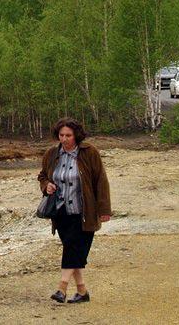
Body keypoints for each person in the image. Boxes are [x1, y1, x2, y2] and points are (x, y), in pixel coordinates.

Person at [37, 117, 111, 303]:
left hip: (83, 211)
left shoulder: (89, 152)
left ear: (76, 135)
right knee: (73, 251)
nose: (64, 139)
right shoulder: (52, 153)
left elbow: (100, 180)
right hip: (61, 211)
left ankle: (61, 288)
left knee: (72, 248)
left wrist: (104, 209)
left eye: (68, 135)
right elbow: (43, 175)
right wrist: (46, 185)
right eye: (61, 135)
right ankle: (82, 292)